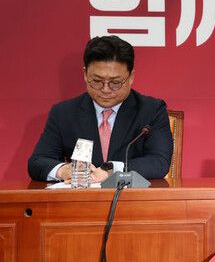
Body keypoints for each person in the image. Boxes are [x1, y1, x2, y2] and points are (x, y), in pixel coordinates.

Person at [28, 35, 173, 182]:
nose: (105, 89)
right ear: (85, 75)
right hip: (82, 195)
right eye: (97, 81)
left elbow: (159, 162)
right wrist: (63, 170)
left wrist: (110, 171)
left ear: (131, 77)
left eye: (115, 82)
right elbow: (38, 162)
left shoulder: (151, 110)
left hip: (130, 195)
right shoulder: (64, 113)